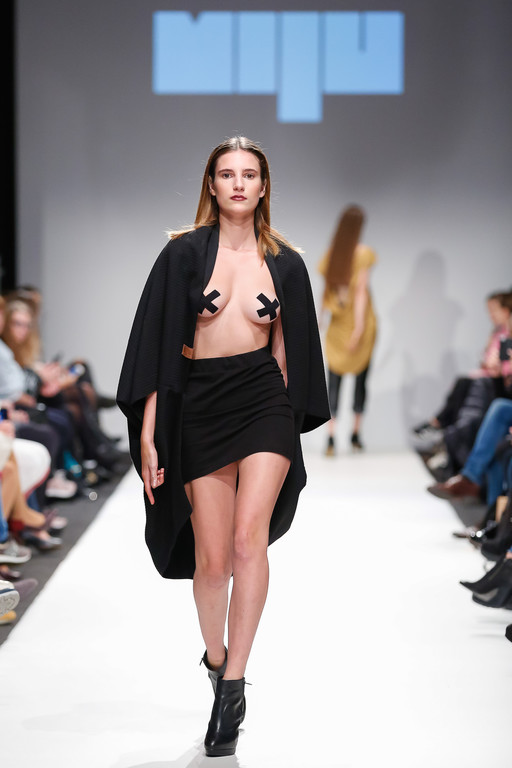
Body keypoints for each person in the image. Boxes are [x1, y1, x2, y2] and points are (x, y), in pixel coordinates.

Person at [117, 136, 329, 757]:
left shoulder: (286, 264)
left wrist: (286, 420)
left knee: (245, 542)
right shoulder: (182, 255)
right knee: (211, 562)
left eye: (249, 174)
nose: (238, 184)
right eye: (227, 174)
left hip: (262, 401)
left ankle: (233, 686)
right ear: (211, 185)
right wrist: (150, 433)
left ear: (264, 187)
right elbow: (158, 347)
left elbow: (290, 353)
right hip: (200, 405)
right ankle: (216, 662)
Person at [318, 205, 377, 455]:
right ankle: (355, 434)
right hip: (357, 323)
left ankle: (331, 437)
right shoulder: (363, 254)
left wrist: (321, 318)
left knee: (334, 380)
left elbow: (326, 291)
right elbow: (361, 292)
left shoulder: (332, 254)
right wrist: (359, 328)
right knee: (361, 380)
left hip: (338, 323)